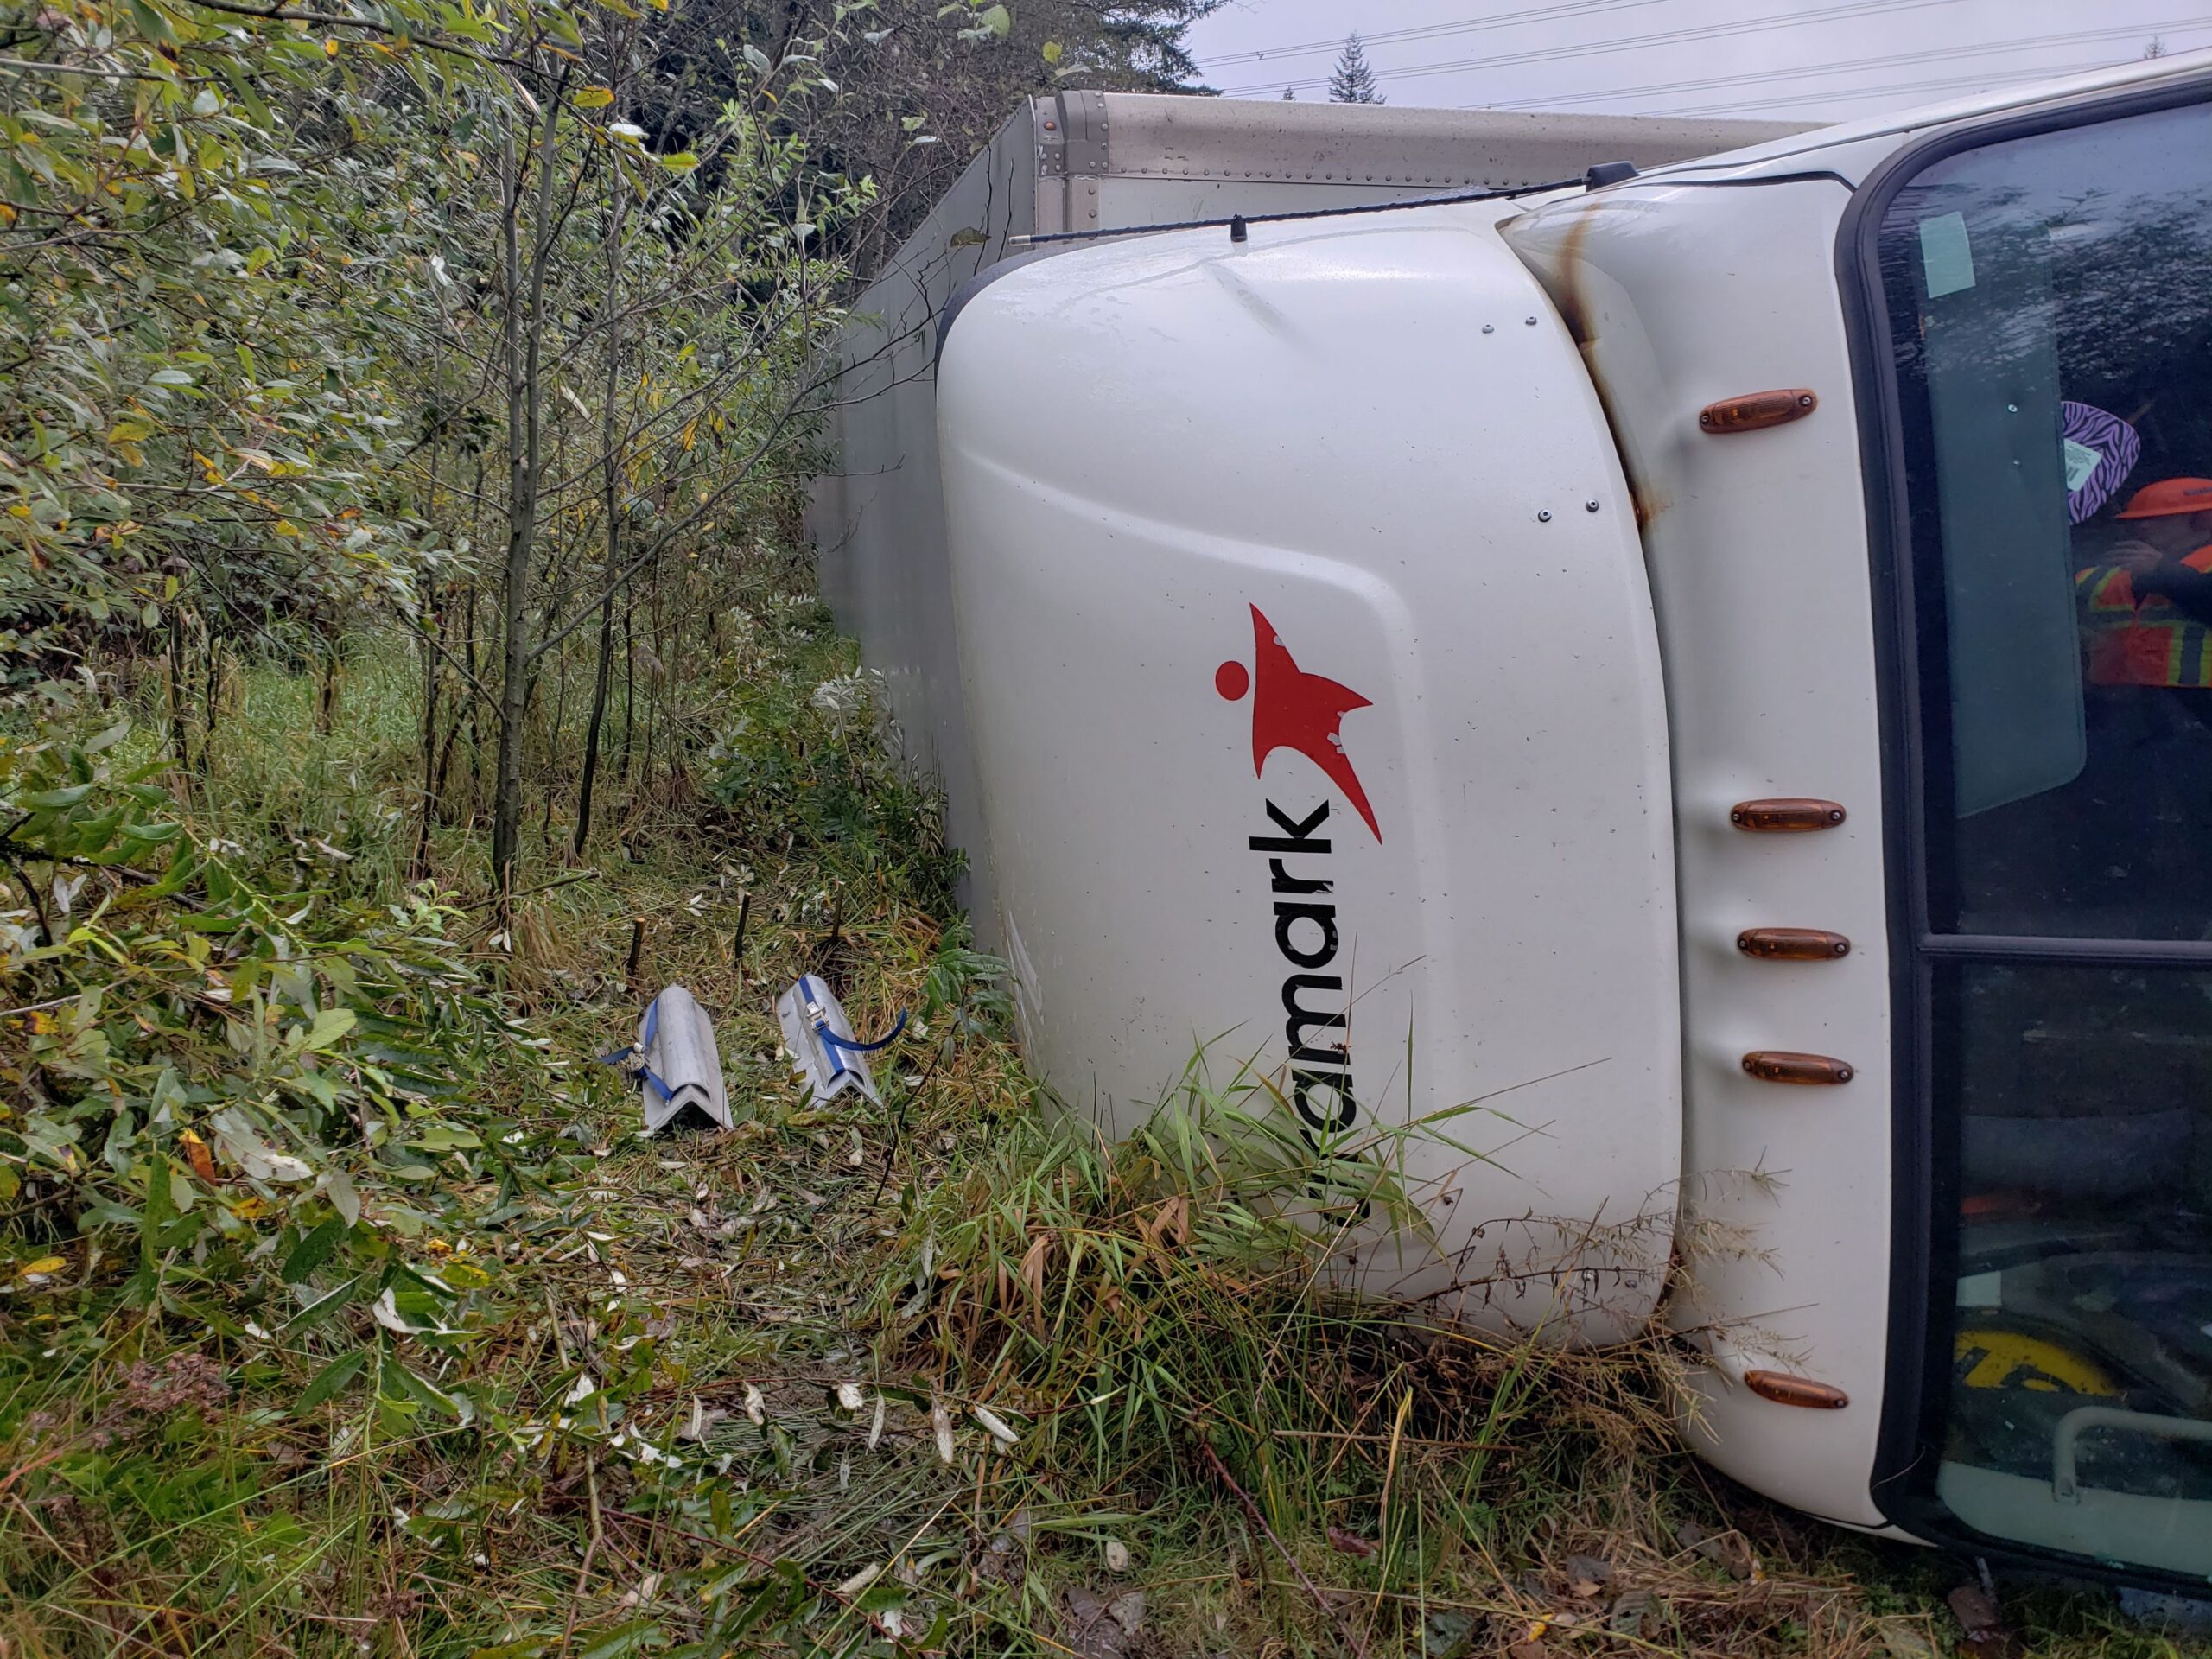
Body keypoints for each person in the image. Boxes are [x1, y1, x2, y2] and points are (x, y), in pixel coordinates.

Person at [2076, 477, 2212, 688]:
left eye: (2158, 518)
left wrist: (2162, 572)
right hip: (2110, 699)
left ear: (2203, 520)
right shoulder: (2099, 575)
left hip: (2197, 702)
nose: (2143, 526)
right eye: (2137, 520)